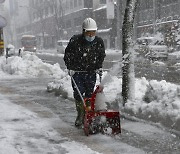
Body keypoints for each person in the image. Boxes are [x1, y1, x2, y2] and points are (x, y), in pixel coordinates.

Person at [64, 17, 106, 128]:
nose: (91, 35)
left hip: (91, 72)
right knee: (79, 93)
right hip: (77, 72)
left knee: (89, 93)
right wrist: (70, 67)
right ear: (84, 31)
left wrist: (99, 67)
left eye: (93, 32)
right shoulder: (75, 41)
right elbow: (67, 55)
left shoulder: (99, 42)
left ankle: (88, 115)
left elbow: (101, 56)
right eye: (89, 32)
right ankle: (80, 114)